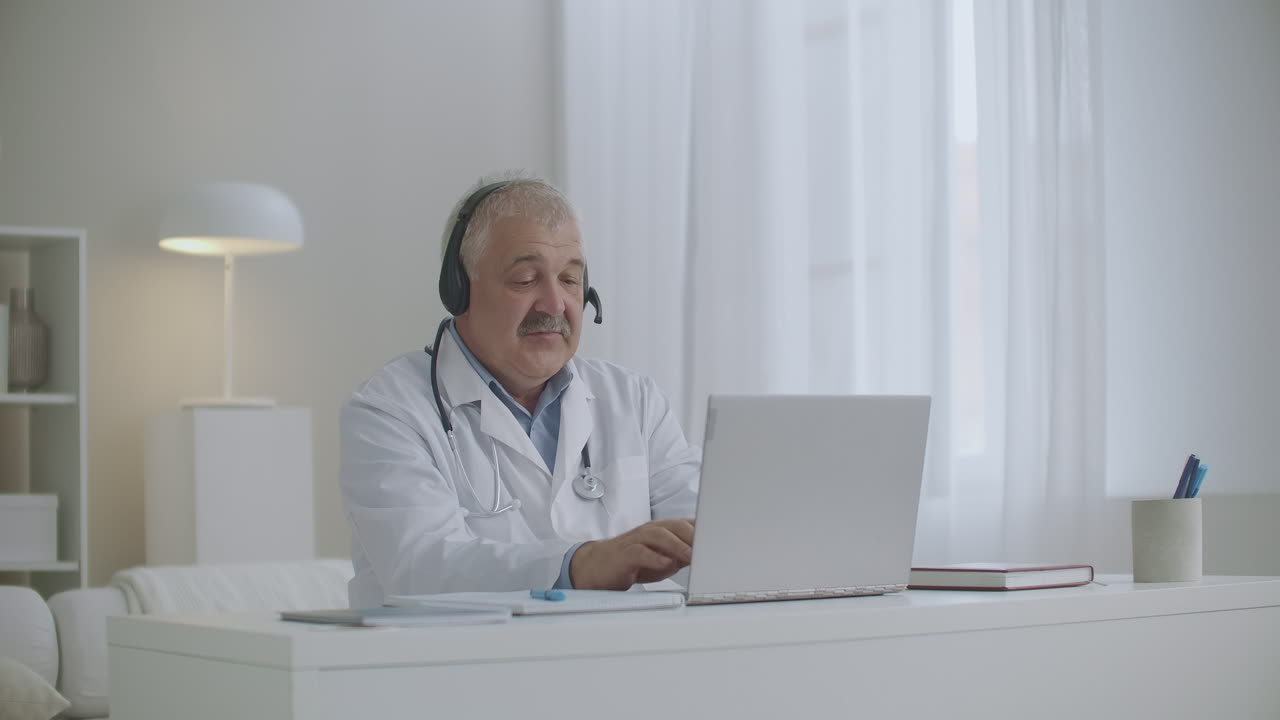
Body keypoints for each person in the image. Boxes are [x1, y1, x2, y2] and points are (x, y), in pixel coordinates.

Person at [340, 172, 700, 608]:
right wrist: (578, 565)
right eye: (526, 279)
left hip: (615, 663)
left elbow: (709, 540)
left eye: (570, 280)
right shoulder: (388, 410)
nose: (554, 305)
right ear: (458, 290)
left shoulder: (634, 400)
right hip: (454, 669)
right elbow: (421, 566)